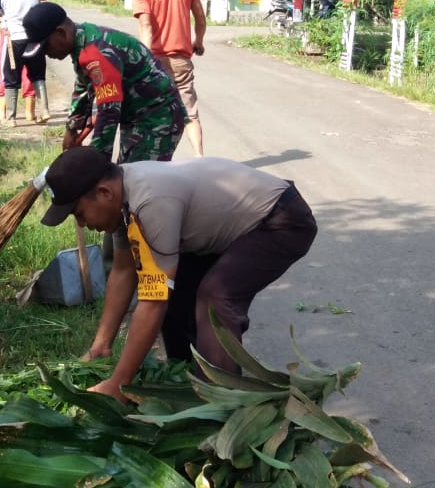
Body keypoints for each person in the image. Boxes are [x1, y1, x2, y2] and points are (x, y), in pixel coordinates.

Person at [39, 146, 317, 401]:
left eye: (79, 214)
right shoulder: (124, 198)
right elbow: (124, 271)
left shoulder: (149, 201)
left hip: (281, 221)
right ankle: (186, 381)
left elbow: (152, 301)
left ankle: (224, 403)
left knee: (215, 298)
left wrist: (119, 384)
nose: (83, 224)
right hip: (231, 231)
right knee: (178, 291)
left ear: (104, 193)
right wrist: (101, 344)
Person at [21, 1, 187, 163]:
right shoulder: (82, 39)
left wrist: (97, 160)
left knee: (139, 181)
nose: (46, 54)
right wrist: (72, 128)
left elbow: (108, 112)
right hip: (135, 116)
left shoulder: (96, 53)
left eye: (46, 47)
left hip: (158, 117)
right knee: (126, 175)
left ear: (61, 33)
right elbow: (83, 87)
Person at [132, 0, 207, 157]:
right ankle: (199, 157)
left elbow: (146, 28)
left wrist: (143, 62)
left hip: (154, 62)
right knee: (189, 114)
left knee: (152, 113)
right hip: (181, 60)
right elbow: (200, 18)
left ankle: (153, 160)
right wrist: (198, 42)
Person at [0, 0, 51, 124]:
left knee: (11, 77)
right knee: (37, 73)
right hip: (36, 38)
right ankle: (44, 111)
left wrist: (5, 16)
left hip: (15, 40)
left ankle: (11, 119)